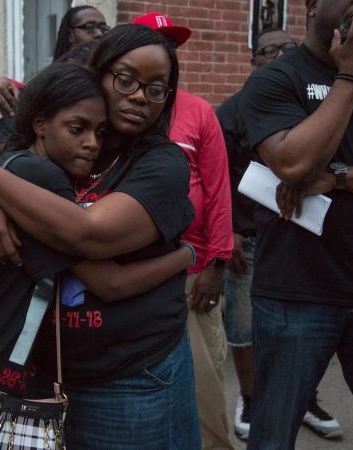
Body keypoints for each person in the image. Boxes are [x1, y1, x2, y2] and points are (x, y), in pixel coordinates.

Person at [0, 24, 199, 449]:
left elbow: (89, 235)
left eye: (156, 89)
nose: (138, 96)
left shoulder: (162, 164)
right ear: (98, 75)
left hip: (129, 379)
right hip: (43, 374)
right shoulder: (60, 144)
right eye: (125, 79)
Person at [238, 1, 353, 448]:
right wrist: (352, 74)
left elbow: (315, 172)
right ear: (311, 4)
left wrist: (339, 177)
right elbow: (295, 164)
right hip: (296, 294)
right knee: (274, 435)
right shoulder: (275, 79)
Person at [216, 27, 342, 442]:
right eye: (267, 50)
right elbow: (219, 174)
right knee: (244, 325)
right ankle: (251, 398)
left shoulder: (323, 102)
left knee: (311, 334)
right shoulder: (234, 109)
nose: (277, 55)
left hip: (315, 236)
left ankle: (306, 399)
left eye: (285, 48)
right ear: (253, 61)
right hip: (252, 237)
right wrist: (231, 229)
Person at [133, 12, 235, 450]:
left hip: (193, 272)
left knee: (204, 383)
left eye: (170, 46)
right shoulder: (119, 110)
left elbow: (218, 189)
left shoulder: (197, 112)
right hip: (132, 273)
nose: (164, 53)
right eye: (154, 42)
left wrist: (217, 262)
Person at [0, 5, 109, 127]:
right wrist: (1, 82)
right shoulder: (47, 84)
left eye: (104, 28)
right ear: (70, 34)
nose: (99, 34)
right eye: (89, 27)